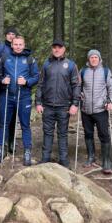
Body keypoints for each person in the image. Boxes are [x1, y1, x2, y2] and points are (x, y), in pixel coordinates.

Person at [0, 36, 39, 165]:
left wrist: (26, 82)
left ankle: (27, 151)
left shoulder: (30, 59)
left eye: (20, 44)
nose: (18, 46)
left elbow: (36, 77)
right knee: (3, 123)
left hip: (24, 97)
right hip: (6, 95)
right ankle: (0, 149)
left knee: (25, 125)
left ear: (24, 45)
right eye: (16, 44)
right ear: (11, 45)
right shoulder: (5, 58)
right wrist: (2, 80)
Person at [35, 39, 81, 168]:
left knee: (62, 133)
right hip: (48, 105)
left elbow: (76, 85)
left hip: (64, 106)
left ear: (64, 49)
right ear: (52, 49)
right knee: (47, 132)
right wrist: (38, 102)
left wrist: (75, 104)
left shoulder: (71, 65)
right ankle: (45, 159)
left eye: (59, 47)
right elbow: (40, 84)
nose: (57, 49)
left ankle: (64, 160)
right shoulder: (46, 64)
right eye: (54, 47)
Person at [80, 49, 112, 174]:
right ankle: (91, 157)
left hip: (101, 109)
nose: (93, 59)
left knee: (104, 135)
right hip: (86, 110)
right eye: (91, 57)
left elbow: (111, 89)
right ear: (88, 59)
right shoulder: (83, 71)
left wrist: (111, 102)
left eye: (96, 57)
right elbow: (79, 87)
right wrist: (79, 95)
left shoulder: (105, 71)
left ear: (99, 59)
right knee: (88, 134)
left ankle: (107, 161)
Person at [0, 27, 19, 155]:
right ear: (6, 35)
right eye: (9, 34)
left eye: (13, 34)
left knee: (12, 115)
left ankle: (10, 141)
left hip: (13, 87)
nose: (11, 36)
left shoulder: (18, 48)